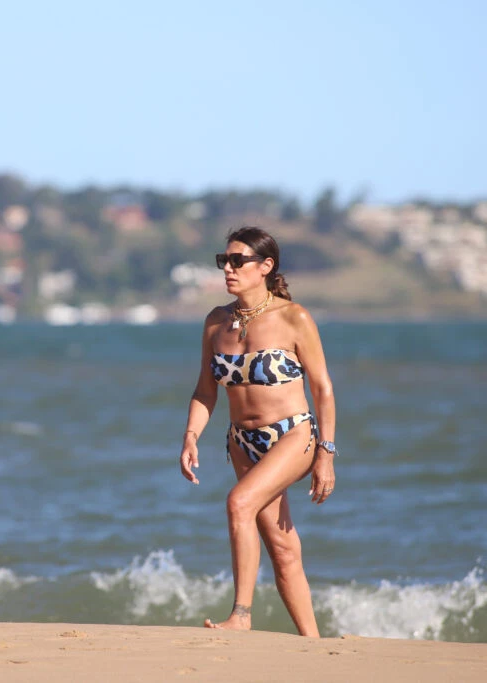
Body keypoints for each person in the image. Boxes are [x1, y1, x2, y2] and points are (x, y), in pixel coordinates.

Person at [178, 226, 337, 637]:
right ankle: (313, 643)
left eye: (238, 261)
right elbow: (204, 389)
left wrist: (326, 452)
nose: (228, 269)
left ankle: (241, 617)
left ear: (265, 267)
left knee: (239, 504)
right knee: (283, 549)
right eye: (223, 261)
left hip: (293, 435)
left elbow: (322, 389)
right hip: (243, 444)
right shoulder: (216, 322)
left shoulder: (293, 317)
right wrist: (192, 435)